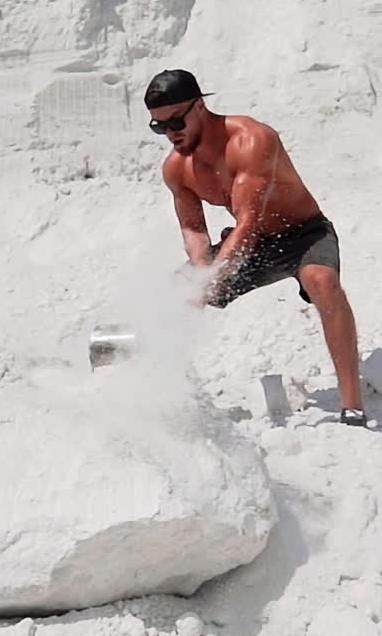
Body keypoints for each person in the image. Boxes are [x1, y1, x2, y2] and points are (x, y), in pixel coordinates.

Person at [144, 68, 368, 427]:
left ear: (199, 106)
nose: (171, 133)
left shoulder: (251, 139)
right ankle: (156, 394)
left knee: (322, 281)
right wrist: (201, 273)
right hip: (253, 243)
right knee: (177, 289)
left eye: (176, 121)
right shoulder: (177, 169)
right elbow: (193, 228)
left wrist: (213, 277)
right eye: (160, 127)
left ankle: (353, 406)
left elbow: (248, 222)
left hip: (302, 233)